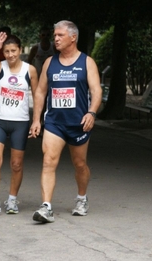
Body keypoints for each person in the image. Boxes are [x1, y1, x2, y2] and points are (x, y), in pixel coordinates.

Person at [30, 20, 102, 223]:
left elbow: (96, 91)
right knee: (48, 161)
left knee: (79, 164)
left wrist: (91, 113)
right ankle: (46, 207)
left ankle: (81, 198)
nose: (56, 38)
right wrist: (37, 120)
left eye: (60, 35)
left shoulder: (87, 62)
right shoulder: (49, 63)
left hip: (79, 123)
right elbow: (40, 92)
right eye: (55, 35)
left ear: (73, 37)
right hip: (54, 123)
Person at [0, 32, 38, 218]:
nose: (10, 55)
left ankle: (12, 199)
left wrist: (37, 120)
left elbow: (38, 96)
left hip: (20, 122)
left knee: (16, 164)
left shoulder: (30, 70)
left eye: (13, 51)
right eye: (6, 51)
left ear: (20, 50)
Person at [28, 27, 57, 134]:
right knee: (39, 100)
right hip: (38, 79)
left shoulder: (53, 47)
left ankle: (47, 123)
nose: (45, 37)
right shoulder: (36, 48)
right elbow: (29, 61)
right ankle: (37, 122)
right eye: (43, 35)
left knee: (50, 101)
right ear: (40, 36)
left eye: (47, 35)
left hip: (51, 79)